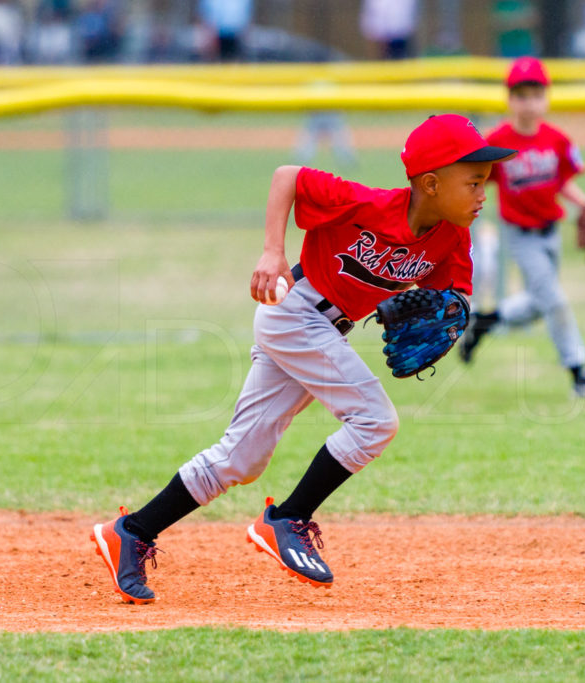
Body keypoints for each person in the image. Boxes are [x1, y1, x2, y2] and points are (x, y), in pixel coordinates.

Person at [90, 114, 516, 604]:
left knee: (241, 459)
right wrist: (273, 251)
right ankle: (289, 518)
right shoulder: (367, 204)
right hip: (293, 312)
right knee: (375, 420)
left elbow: (455, 298)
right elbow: (287, 177)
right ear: (431, 183)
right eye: (475, 181)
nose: (485, 193)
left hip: (322, 329)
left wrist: (452, 314)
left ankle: (132, 531)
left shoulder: (453, 238)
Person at [459, 56, 585, 399]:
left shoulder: (557, 140)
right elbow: (476, 183)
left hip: (551, 232)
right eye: (521, 94)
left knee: (537, 305)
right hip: (520, 236)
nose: (529, 102)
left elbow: (561, 183)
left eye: (536, 94)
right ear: (509, 99)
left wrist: (584, 204)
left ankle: (485, 322)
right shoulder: (496, 142)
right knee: (554, 302)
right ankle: (580, 373)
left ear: (547, 97)